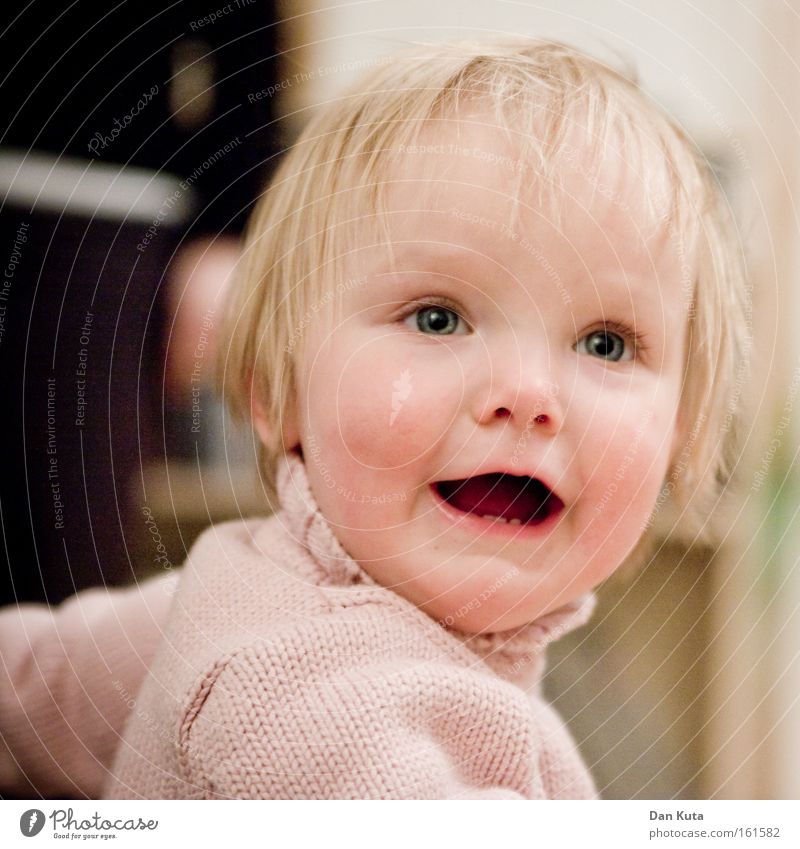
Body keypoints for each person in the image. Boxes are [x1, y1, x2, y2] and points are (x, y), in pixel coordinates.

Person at [2, 38, 747, 800]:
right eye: (436, 318)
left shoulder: (221, 594)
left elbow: (27, 685)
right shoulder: (336, 716)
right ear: (276, 391)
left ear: (681, 426)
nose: (526, 394)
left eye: (606, 342)